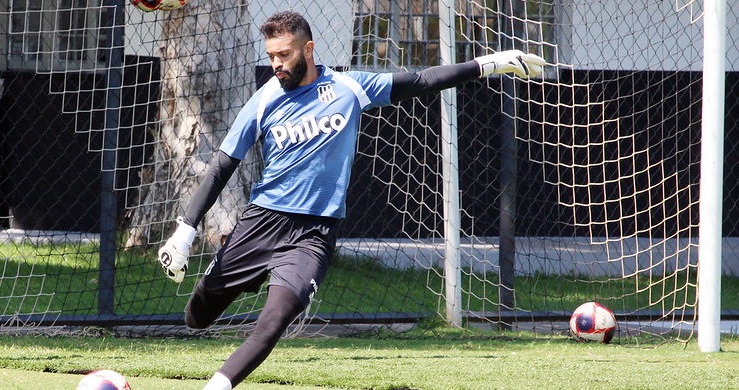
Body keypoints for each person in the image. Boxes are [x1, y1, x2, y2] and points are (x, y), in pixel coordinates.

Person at [156, 10, 545, 390]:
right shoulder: (262, 101)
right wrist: (184, 232)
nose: (276, 64)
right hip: (260, 224)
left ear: (308, 50)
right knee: (197, 318)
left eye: (285, 54)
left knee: (274, 321)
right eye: (271, 55)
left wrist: (488, 63)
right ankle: (247, 275)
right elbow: (222, 166)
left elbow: (422, 79)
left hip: (312, 235)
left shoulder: (350, 87)